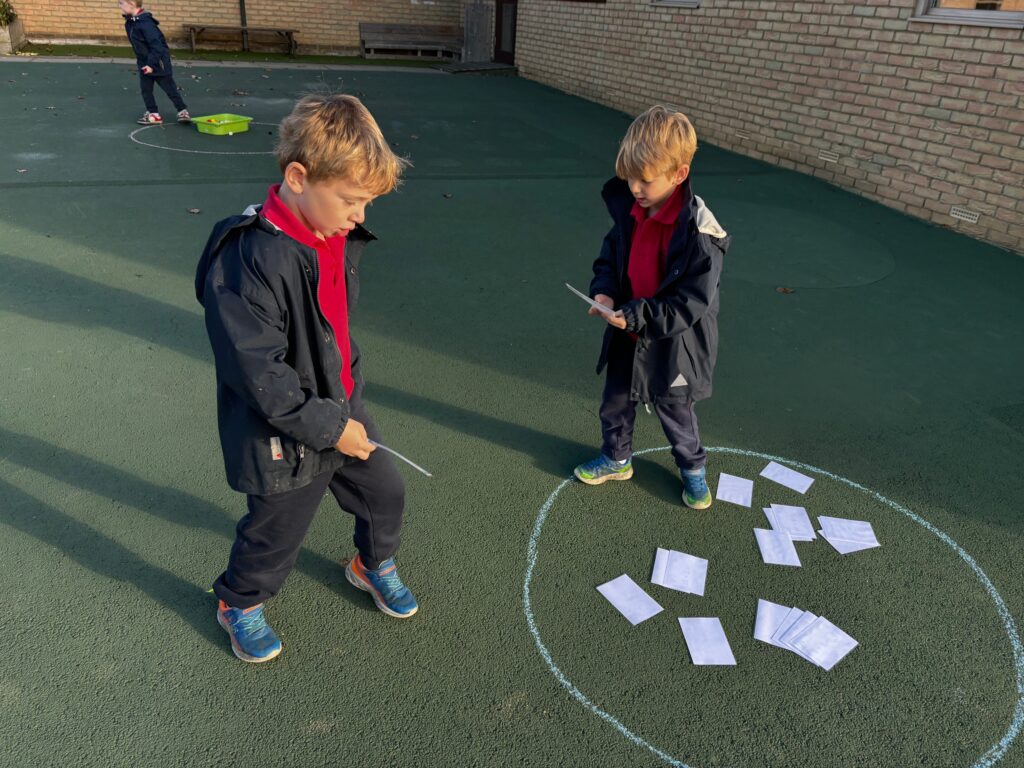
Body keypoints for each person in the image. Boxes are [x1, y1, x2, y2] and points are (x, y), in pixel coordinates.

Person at [195, 94, 415, 663]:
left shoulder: (331, 233)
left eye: (367, 202)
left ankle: (371, 563)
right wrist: (327, 428)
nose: (360, 215)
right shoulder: (248, 260)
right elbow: (258, 370)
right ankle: (239, 602)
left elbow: (331, 328)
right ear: (298, 177)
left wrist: (347, 402)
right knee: (276, 529)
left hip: (338, 402)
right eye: (351, 200)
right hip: (282, 424)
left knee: (385, 491)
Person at [573, 105, 731, 510]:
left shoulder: (700, 234)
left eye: (645, 180)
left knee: (675, 410)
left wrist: (640, 314)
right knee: (615, 400)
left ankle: (693, 470)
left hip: (674, 341)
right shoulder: (631, 212)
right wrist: (605, 292)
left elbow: (691, 302)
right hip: (629, 328)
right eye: (629, 178)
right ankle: (617, 457)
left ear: (678, 175)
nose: (635, 189)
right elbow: (610, 256)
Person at [119, 0, 190, 125]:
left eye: (121, 3)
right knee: (146, 89)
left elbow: (157, 46)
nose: (119, 6)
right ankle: (154, 114)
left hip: (158, 62)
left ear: (132, 4)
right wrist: (144, 62)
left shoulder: (146, 24)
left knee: (169, 88)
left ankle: (182, 110)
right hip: (144, 61)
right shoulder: (130, 22)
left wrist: (151, 64)